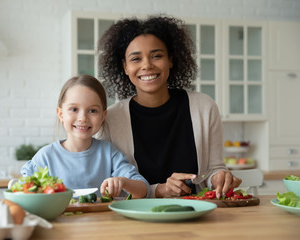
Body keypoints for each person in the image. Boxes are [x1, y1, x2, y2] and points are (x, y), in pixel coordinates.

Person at [97, 15, 242, 198]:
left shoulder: (204, 107)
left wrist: (219, 178)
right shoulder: (111, 119)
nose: (147, 65)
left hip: (197, 213)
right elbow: (112, 186)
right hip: (137, 217)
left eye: (157, 56)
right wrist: (160, 189)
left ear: (171, 60)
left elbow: (213, 170)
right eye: (136, 59)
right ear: (125, 67)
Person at [21, 75, 150, 198]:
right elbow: (22, 191)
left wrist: (123, 182)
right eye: (74, 109)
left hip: (102, 221)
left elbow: (144, 190)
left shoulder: (109, 153)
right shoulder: (45, 157)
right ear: (60, 114)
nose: (83, 118)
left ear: (103, 116)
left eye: (92, 110)